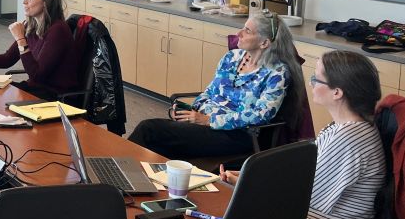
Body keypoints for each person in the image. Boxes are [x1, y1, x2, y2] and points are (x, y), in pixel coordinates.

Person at [221, 50, 386, 219]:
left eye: (316, 79)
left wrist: (250, 186)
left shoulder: (348, 139)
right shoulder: (346, 128)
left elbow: (300, 198)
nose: (311, 84)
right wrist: (249, 179)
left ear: (337, 92)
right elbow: (301, 178)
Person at [128, 11, 303, 159]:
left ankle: (115, 174)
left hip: (237, 135)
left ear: (264, 43)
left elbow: (260, 115)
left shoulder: (277, 74)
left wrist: (210, 120)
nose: (239, 33)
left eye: (247, 31)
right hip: (204, 124)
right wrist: (194, 112)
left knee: (149, 130)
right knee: (156, 146)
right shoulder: (232, 58)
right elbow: (209, 93)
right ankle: (133, 184)